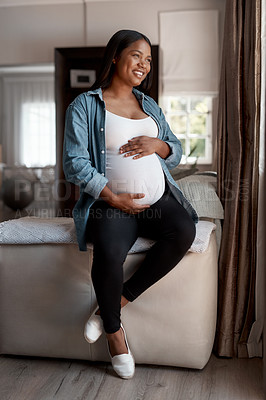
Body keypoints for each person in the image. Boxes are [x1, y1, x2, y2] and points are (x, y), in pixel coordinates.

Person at [63, 29, 198, 379]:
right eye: (137, 55)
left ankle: (117, 300)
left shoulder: (149, 105)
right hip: (110, 203)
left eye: (149, 59)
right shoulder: (86, 105)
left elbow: (176, 149)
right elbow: (75, 162)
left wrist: (160, 146)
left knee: (184, 230)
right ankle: (114, 332)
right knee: (108, 250)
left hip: (158, 200)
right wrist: (110, 195)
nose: (144, 64)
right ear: (115, 56)